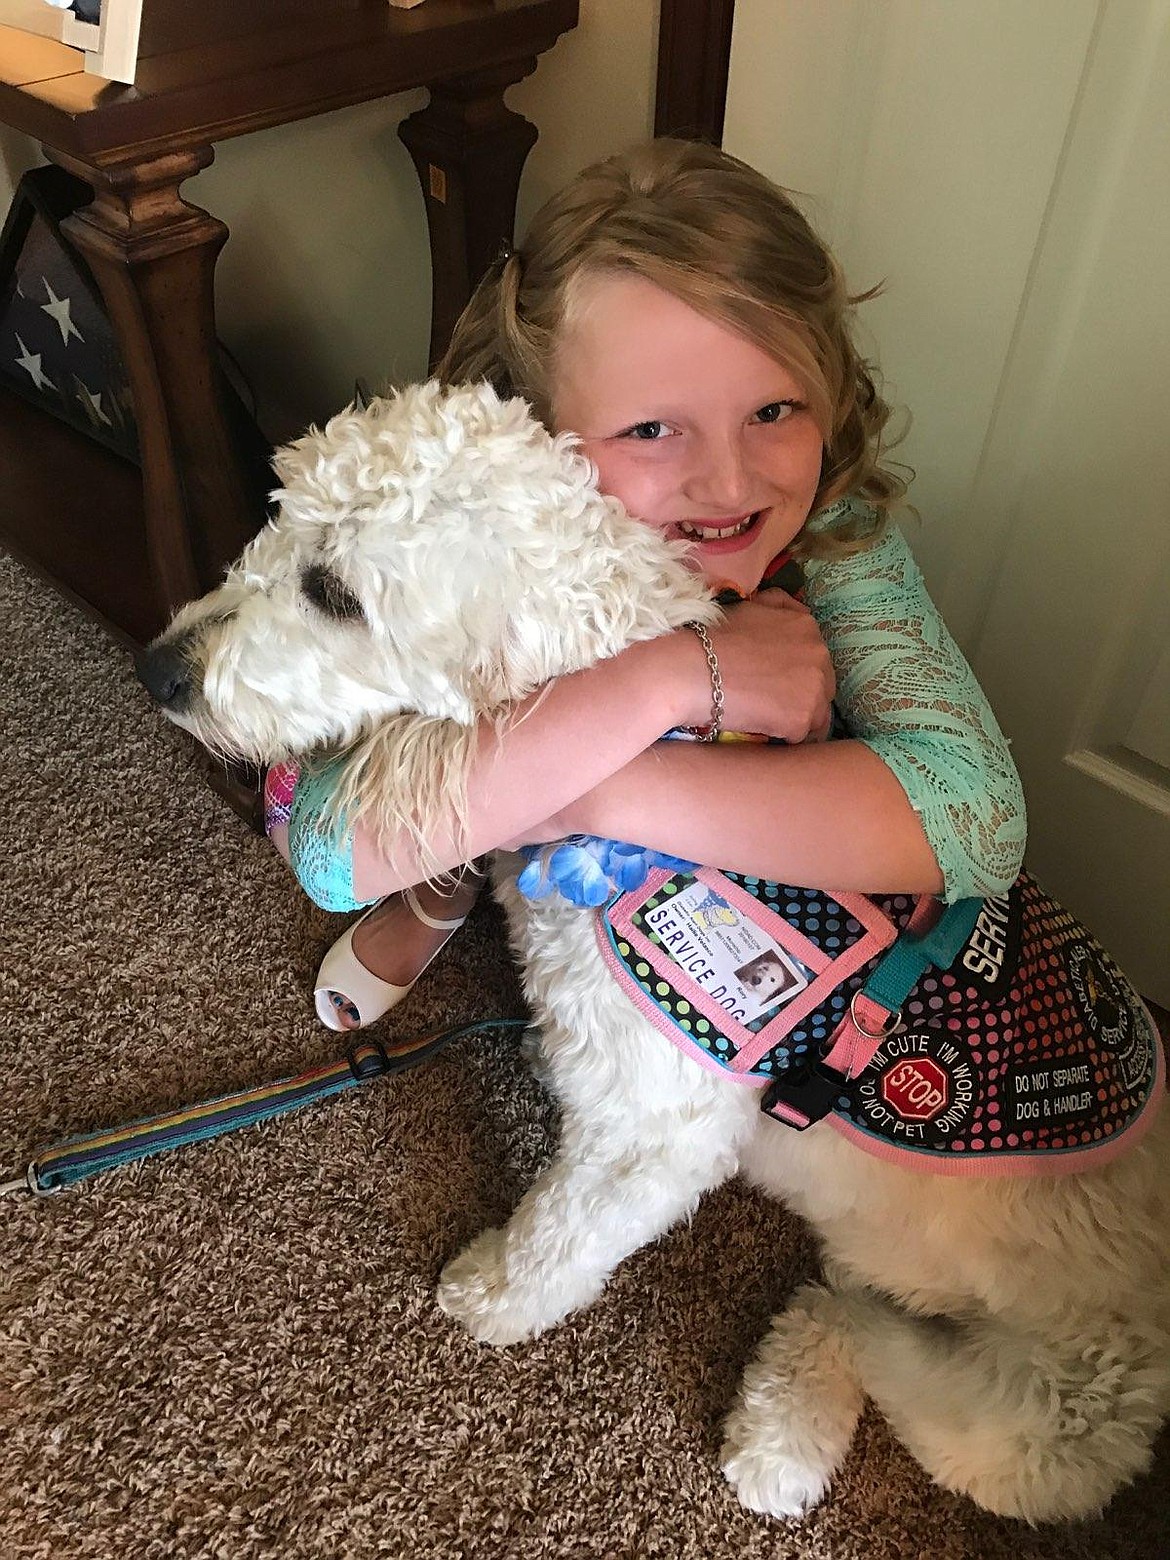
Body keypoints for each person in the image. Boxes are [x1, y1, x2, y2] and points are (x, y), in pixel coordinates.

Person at [271, 138, 1026, 1031]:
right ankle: (446, 891)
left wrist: (593, 794)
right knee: (430, 727)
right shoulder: (479, 536)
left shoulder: (828, 528)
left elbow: (981, 822)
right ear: (531, 429)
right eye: (654, 428)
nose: (732, 484)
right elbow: (329, 850)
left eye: (774, 411)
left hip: (677, 823)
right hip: (513, 740)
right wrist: (680, 673)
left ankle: (509, 831)